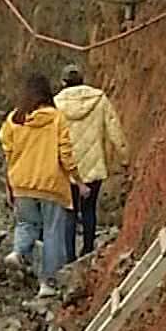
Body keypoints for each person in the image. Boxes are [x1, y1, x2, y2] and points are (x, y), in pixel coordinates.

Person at [0, 73, 78, 298]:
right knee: (53, 233)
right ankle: (48, 283)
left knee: (26, 223)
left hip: (21, 182)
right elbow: (65, 152)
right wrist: (76, 177)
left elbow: (8, 152)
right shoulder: (56, 119)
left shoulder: (14, 119)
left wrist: (9, 182)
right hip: (51, 185)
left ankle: (18, 251)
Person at [54, 64, 126, 259]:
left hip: (67, 169)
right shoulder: (99, 99)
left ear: (63, 83)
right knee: (89, 209)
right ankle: (88, 249)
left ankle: (69, 256)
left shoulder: (56, 104)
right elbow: (114, 129)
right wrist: (124, 157)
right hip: (94, 165)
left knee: (69, 211)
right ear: (83, 80)